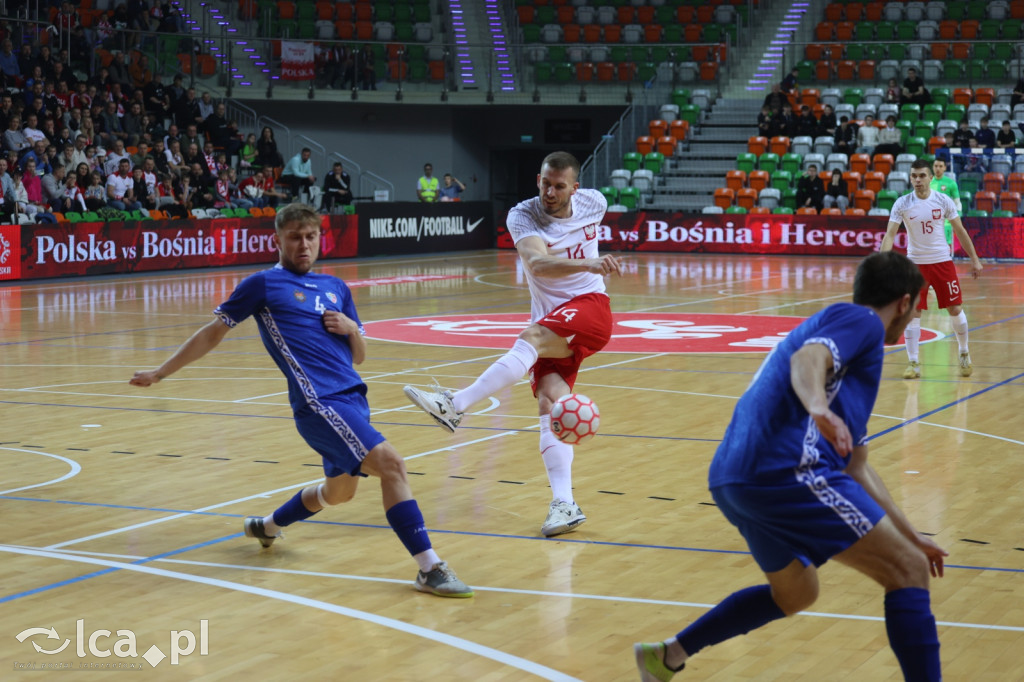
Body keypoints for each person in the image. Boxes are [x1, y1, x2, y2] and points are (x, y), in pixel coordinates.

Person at [129, 203, 473, 598]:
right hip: (318, 403)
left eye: (310, 236)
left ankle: (268, 526)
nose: (304, 244)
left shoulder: (336, 288)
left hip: (353, 398)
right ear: (277, 239)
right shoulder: (263, 285)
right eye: (294, 237)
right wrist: (161, 372)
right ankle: (430, 568)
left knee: (339, 493)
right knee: (394, 466)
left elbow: (358, 356)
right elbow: (213, 333)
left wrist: (349, 329)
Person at [633, 251, 946, 682]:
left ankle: (666, 656)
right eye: (914, 311)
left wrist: (912, 535)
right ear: (906, 302)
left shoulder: (846, 363)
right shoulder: (863, 322)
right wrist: (818, 408)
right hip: (787, 471)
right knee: (906, 570)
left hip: (734, 478)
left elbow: (856, 466)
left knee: (796, 593)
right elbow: (808, 360)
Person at [404, 151, 623, 537]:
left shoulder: (595, 203)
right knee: (550, 403)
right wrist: (588, 262)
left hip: (591, 307)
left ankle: (454, 405)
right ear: (537, 179)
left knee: (531, 339)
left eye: (559, 186)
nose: (550, 192)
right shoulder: (523, 215)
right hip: (552, 316)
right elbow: (536, 264)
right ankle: (565, 504)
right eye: (545, 183)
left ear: (576, 188)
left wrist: (590, 271)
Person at [881, 159, 983, 379]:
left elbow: (960, 230)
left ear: (930, 177)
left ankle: (964, 353)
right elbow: (890, 234)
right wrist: (881, 263)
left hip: (942, 262)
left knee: (955, 309)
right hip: (915, 265)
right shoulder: (902, 203)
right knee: (913, 313)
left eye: (921, 176)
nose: (917, 180)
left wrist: (974, 258)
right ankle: (914, 362)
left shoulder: (943, 200)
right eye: (913, 176)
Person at [930, 158, 961, 256]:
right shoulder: (928, 182)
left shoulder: (951, 183)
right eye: (936, 166)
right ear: (933, 167)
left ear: (944, 168)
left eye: (940, 166)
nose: (938, 168)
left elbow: (957, 202)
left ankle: (946, 259)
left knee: (945, 244)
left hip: (945, 218)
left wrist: (958, 214)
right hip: (930, 217)